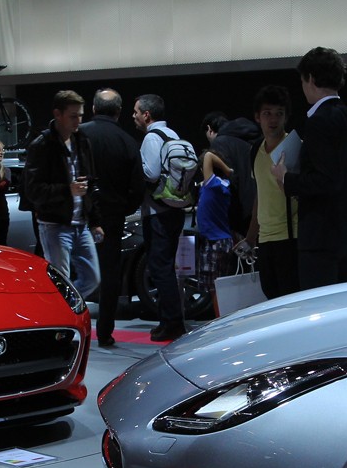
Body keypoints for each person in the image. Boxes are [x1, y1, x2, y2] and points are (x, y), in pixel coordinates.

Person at [271, 46, 347, 290]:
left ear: (310, 78)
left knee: (320, 310)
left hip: (322, 235)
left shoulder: (319, 120)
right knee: (346, 308)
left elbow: (326, 180)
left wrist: (286, 178)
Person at [26, 90, 103, 302]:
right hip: (55, 225)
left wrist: (95, 220)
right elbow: (33, 190)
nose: (79, 120)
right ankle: (61, 316)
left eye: (80, 115)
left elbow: (91, 182)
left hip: (81, 224)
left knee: (92, 278)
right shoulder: (41, 145)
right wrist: (66, 190)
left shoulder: (82, 141)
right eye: (73, 115)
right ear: (57, 114)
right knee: (62, 282)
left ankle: (61, 309)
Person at [79, 88, 142, 347]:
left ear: (93, 109)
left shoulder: (78, 134)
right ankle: (104, 332)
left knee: (66, 270)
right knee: (110, 274)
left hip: (76, 214)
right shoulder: (127, 141)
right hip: (112, 217)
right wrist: (123, 208)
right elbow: (138, 188)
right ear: (118, 111)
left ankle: (66, 328)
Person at [133, 94, 189, 342]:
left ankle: (173, 323)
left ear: (147, 115)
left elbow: (152, 173)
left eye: (136, 112)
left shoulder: (151, 138)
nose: (133, 116)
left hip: (158, 212)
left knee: (160, 268)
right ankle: (169, 321)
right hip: (174, 209)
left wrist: (135, 168)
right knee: (165, 267)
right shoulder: (173, 135)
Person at [245, 85, 300, 300]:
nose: (273, 120)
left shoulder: (294, 147)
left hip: (291, 236)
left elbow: (301, 192)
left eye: (279, 114)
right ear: (258, 117)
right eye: (267, 114)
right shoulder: (255, 150)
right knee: (271, 296)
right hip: (265, 239)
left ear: (286, 117)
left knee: (290, 300)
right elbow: (260, 193)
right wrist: (251, 237)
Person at [205, 108, 262, 242]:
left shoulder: (220, 143)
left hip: (239, 213)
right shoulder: (255, 139)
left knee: (241, 259)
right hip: (261, 207)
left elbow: (225, 186)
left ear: (209, 129)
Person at [195, 128, 235, 303]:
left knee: (215, 290)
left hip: (215, 242)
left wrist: (227, 170)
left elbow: (209, 156)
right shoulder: (214, 186)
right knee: (216, 290)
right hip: (217, 241)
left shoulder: (215, 185)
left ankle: (219, 322)